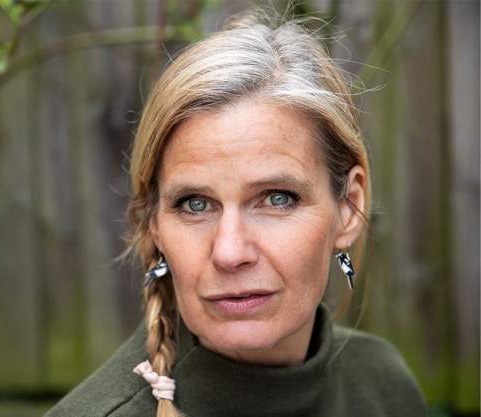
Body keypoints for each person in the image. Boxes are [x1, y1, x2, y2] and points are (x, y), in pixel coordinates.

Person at [44, 8, 427, 417]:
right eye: (195, 204)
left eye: (277, 198)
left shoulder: (384, 387)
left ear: (349, 206)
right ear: (152, 221)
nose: (229, 252)